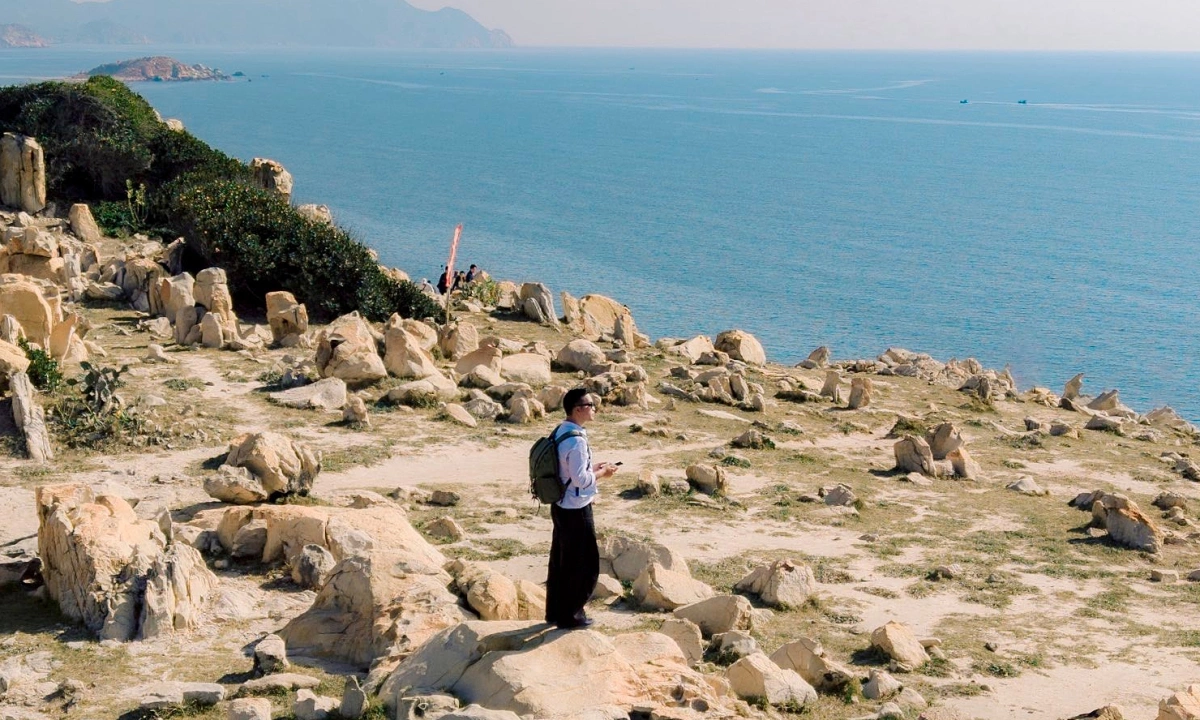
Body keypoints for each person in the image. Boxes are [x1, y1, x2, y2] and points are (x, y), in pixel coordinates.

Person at [544, 388, 618, 629]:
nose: (594, 407)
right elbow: (580, 480)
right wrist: (602, 474)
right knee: (583, 564)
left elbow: (567, 468)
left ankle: (556, 612)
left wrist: (593, 466)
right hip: (576, 507)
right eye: (590, 404)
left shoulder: (562, 430)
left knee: (561, 561)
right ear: (578, 409)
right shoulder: (576, 440)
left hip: (561, 504)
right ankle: (572, 616)